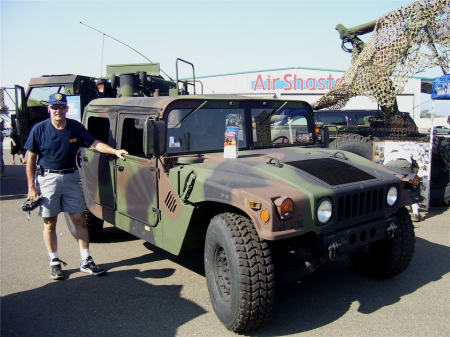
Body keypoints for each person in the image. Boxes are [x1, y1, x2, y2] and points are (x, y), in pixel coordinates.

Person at [25, 93, 128, 280]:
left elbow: (94, 143)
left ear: (66, 109)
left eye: (62, 107)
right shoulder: (39, 130)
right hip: (48, 179)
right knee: (50, 222)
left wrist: (114, 151)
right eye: (55, 107)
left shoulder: (75, 128)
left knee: (79, 220)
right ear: (49, 109)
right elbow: (30, 158)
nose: (58, 111)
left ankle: (85, 260)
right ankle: (54, 262)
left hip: (71, 177)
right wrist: (32, 187)